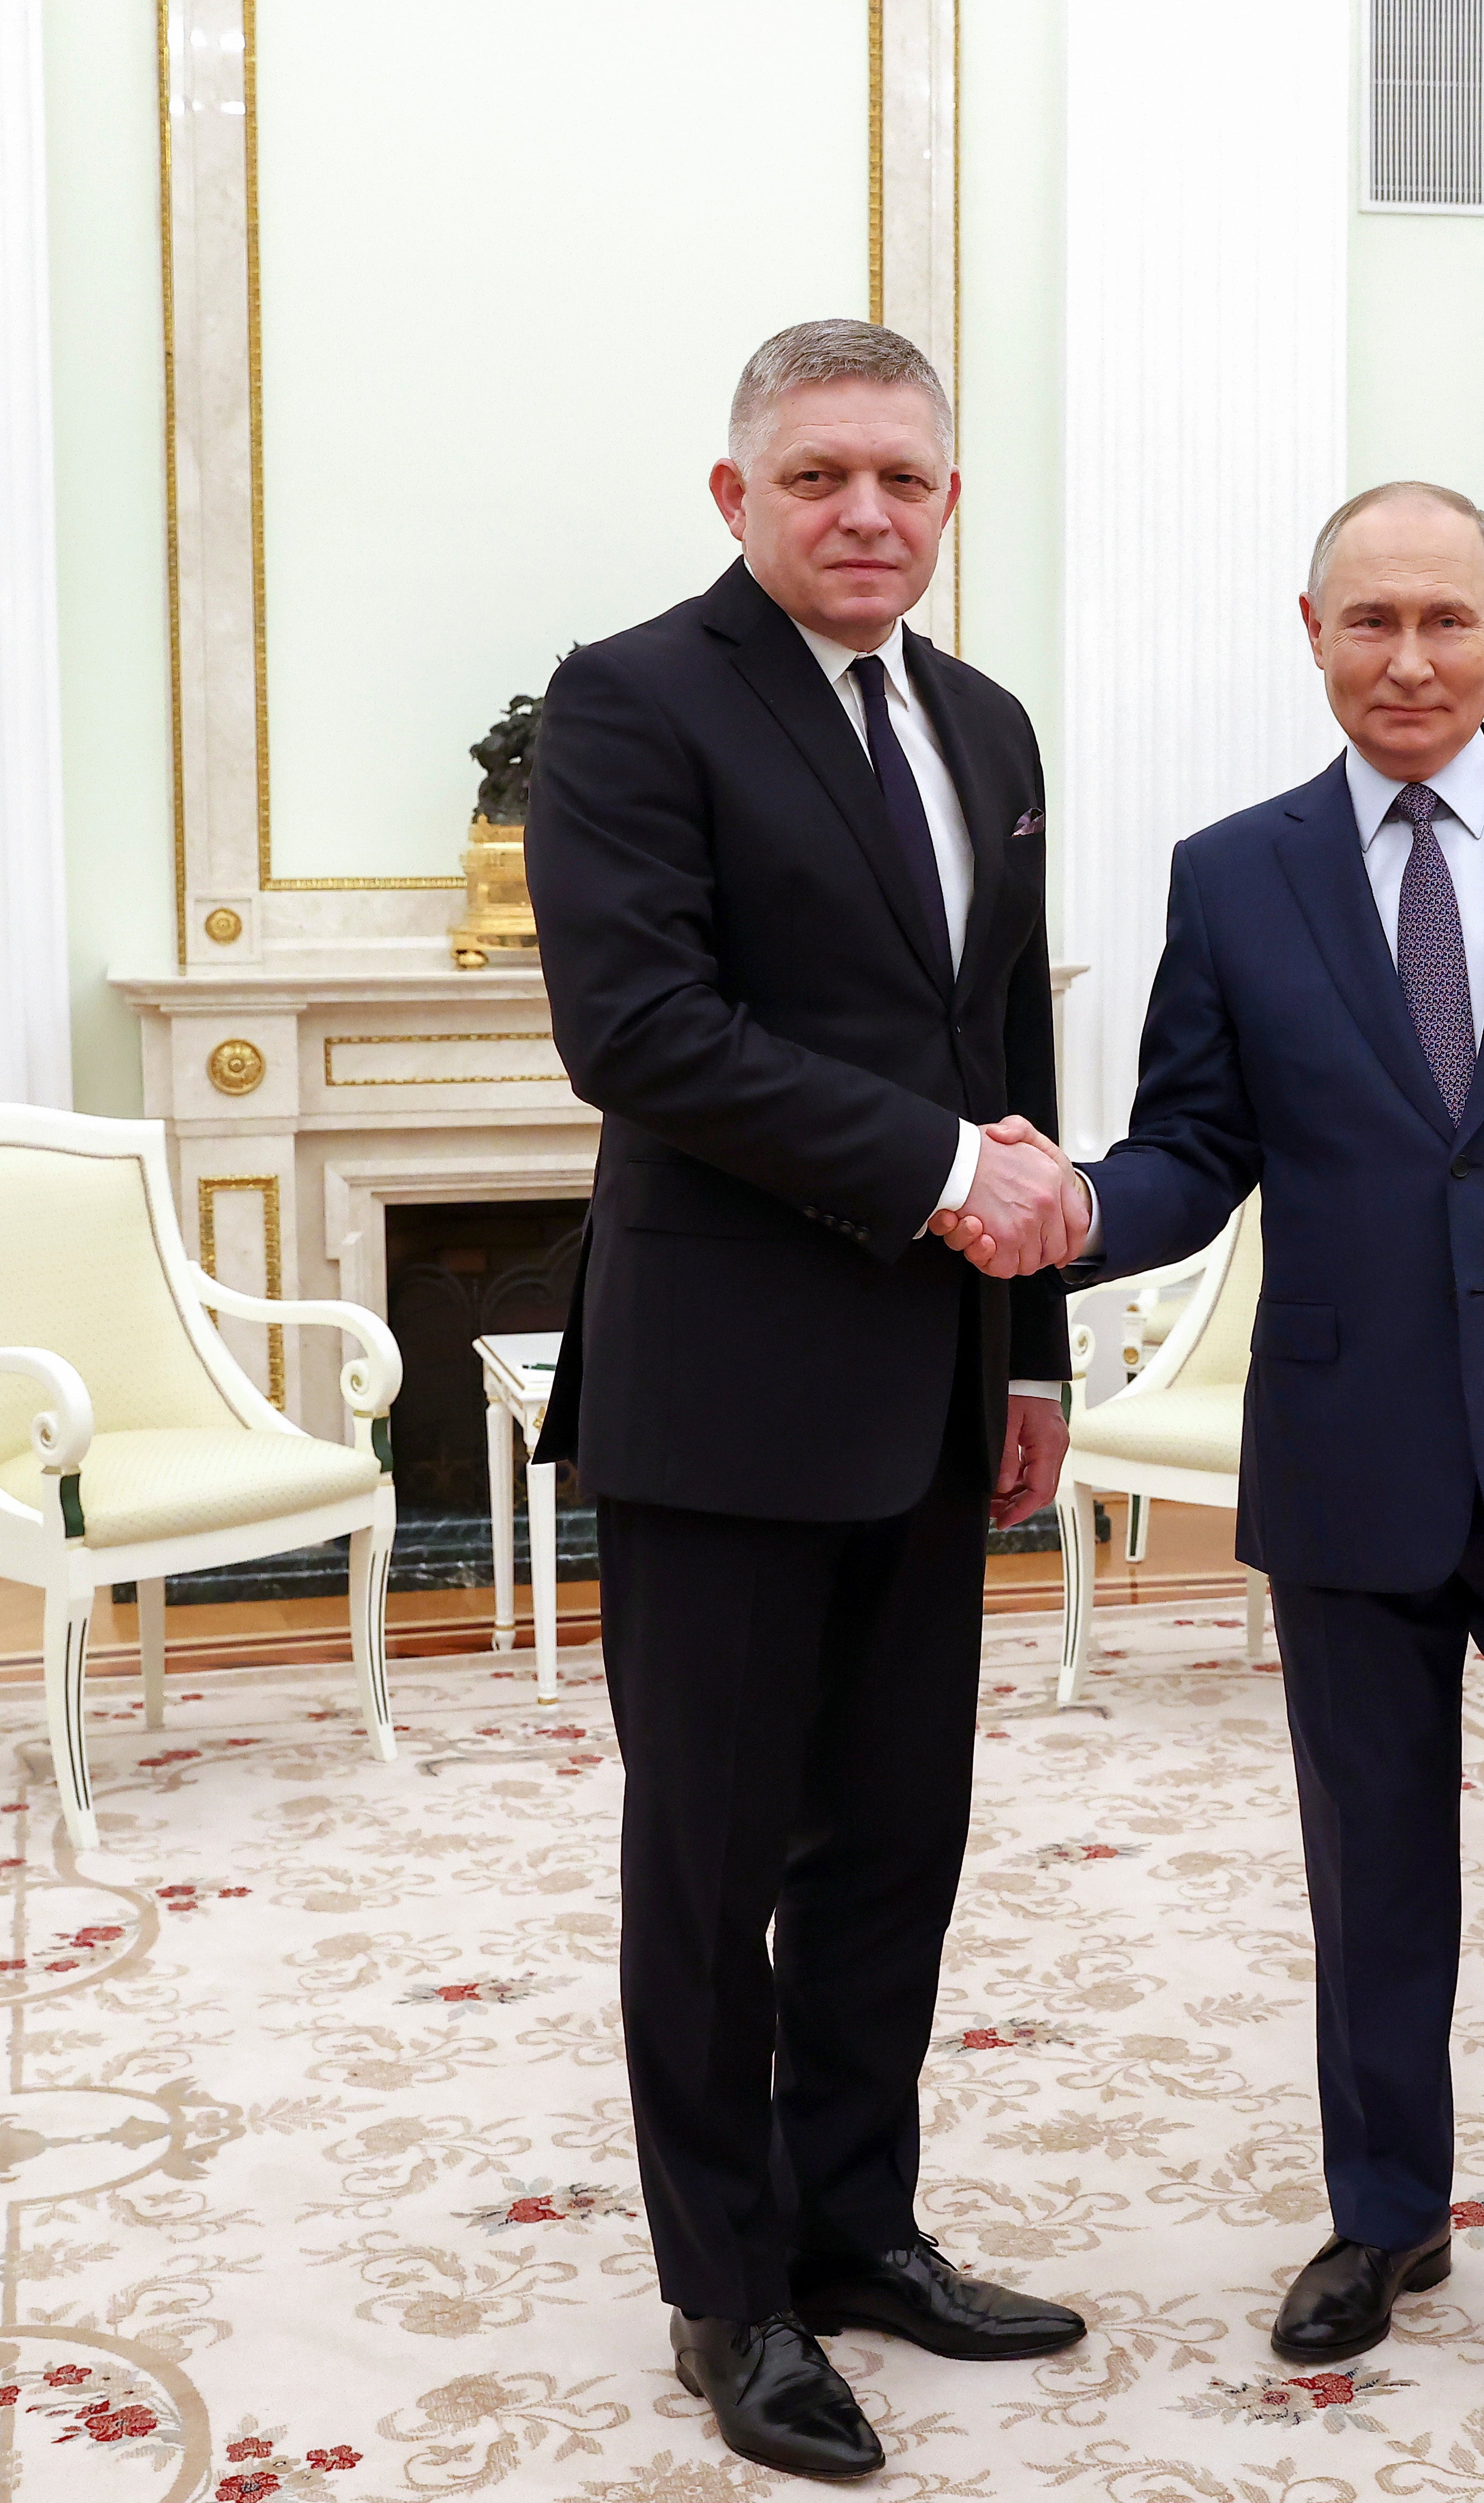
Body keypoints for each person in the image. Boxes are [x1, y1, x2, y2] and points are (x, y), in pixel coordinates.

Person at [941, 483, 1484, 2441]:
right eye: (1370, 621)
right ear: (1309, 628)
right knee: (1371, 1873)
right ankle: (1386, 2215)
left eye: (1446, 623)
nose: (1409, 659)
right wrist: (1067, 1205)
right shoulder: (1236, 875)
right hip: (1351, 1454)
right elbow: (1191, 1143)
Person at [527, 318, 1095, 2483]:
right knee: (711, 1862)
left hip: (930, 1389)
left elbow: (994, 1058)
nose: (867, 513)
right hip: (724, 1391)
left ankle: (860, 2226)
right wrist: (958, 1179)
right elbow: (639, 1027)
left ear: (950, 500)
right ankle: (731, 2287)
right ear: (734, 494)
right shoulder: (631, 697)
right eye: (820, 476)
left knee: (894, 1852)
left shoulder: (984, 721)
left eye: (906, 481)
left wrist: (1026, 1345)